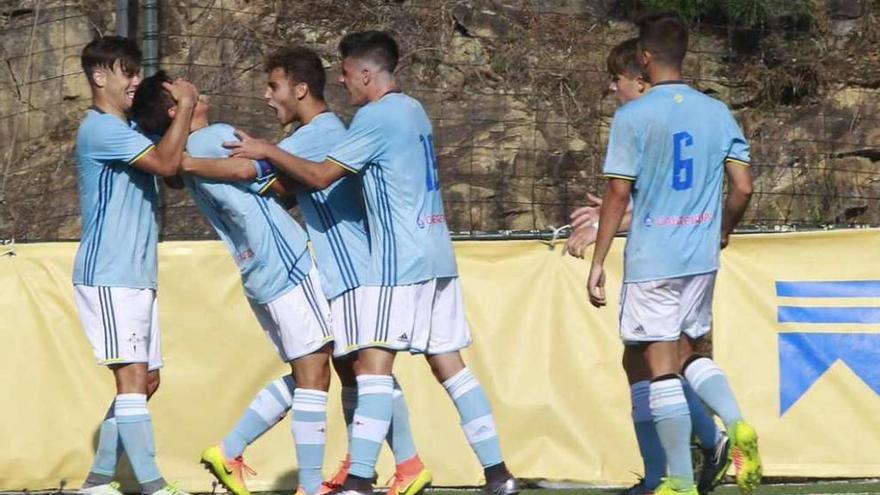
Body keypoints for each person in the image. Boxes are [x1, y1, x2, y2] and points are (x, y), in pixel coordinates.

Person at [226, 31, 520, 495]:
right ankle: (498, 473)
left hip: (397, 261)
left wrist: (265, 150)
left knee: (373, 367)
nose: (342, 83)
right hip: (437, 252)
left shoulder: (374, 118)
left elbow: (321, 175)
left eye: (344, 73)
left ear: (365, 73)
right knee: (450, 366)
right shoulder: (414, 110)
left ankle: (360, 477)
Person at [163, 46, 432, 495]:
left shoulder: (320, 132)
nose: (268, 97)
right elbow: (277, 185)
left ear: (300, 89)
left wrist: (183, 163)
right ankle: (363, 467)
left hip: (358, 269)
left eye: (274, 86)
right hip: (338, 269)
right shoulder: (308, 140)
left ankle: (404, 465)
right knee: (351, 370)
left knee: (367, 371)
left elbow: (251, 169)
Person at [131, 70, 334, 495]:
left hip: (256, 271)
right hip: (284, 261)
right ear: (175, 108)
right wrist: (275, 157)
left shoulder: (185, 153)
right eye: (179, 87)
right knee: (316, 372)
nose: (190, 83)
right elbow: (249, 170)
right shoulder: (213, 136)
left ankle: (231, 450)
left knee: (306, 371)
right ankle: (309, 486)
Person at [587, 14, 761, 495]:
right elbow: (743, 187)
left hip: (654, 259)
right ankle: (735, 423)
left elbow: (619, 194)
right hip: (700, 258)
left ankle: (678, 482)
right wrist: (722, 228)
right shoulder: (718, 111)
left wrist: (599, 261)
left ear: (644, 58)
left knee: (659, 365)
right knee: (688, 356)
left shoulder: (634, 117)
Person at [567, 39, 729, 495]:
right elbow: (661, 197)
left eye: (617, 80)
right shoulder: (686, 115)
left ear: (642, 78)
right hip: (688, 259)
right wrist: (614, 218)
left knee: (664, 362)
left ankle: (694, 455)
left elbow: (655, 199)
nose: (612, 88)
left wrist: (608, 228)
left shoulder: (643, 118)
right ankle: (666, 470)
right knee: (642, 360)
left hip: (664, 264)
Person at [74, 36, 197, 495]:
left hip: (136, 276)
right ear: (99, 77)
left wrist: (176, 117)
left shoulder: (129, 132)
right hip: (109, 274)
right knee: (130, 379)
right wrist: (183, 106)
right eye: (128, 72)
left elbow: (178, 176)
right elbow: (168, 164)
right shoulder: (100, 130)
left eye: (137, 72)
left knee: (145, 381)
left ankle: (96, 484)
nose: (135, 81)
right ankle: (154, 485)